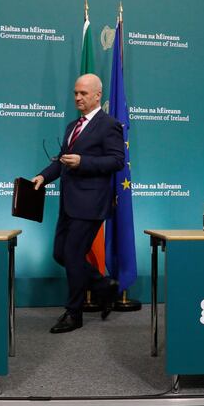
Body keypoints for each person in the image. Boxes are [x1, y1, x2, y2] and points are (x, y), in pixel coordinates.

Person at [32, 74, 125, 333]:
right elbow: (61, 160)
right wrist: (43, 176)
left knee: (72, 255)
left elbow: (117, 161)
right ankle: (104, 286)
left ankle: (74, 313)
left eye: (83, 93)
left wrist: (83, 162)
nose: (78, 97)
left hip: (91, 203)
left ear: (98, 96)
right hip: (69, 202)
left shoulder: (110, 125)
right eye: (75, 93)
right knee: (60, 254)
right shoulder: (72, 125)